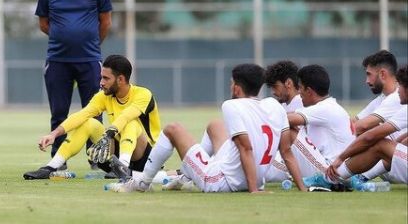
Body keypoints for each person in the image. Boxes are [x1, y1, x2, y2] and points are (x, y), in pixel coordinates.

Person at [112, 64, 306, 193]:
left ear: (237, 87)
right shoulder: (273, 106)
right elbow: (286, 151)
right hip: (251, 178)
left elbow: (245, 148)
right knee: (215, 125)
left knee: (173, 128)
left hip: (221, 181)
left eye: (232, 83)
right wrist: (302, 189)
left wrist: (254, 191)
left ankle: (142, 183)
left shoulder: (232, 105)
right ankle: (186, 176)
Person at [23, 55, 160, 180]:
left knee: (130, 123)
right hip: (115, 155)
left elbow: (126, 116)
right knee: (88, 122)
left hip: (146, 159)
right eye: (101, 77)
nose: (101, 82)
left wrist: (109, 132)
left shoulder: (143, 94)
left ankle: (122, 166)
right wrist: (54, 134)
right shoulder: (104, 96)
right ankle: (50, 167)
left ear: (121, 79)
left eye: (106, 78)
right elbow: (82, 114)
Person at [35, 0, 112, 159]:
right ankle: (58, 160)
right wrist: (64, 37)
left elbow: (105, 22)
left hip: (89, 60)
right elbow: (43, 23)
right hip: (58, 60)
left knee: (94, 113)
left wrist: (91, 43)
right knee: (59, 113)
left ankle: (97, 159)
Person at [307, 64, 408, 188]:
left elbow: (368, 134)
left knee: (379, 142)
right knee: (381, 142)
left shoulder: (398, 103)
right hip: (391, 163)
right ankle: (353, 177)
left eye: (401, 86)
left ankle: (329, 179)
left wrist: (340, 158)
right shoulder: (381, 100)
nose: (398, 90)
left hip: (386, 162)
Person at [263, 61, 328, 182]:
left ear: (288, 83)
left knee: (258, 164)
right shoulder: (283, 106)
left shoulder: (302, 103)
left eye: (275, 86)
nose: (273, 91)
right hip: (295, 158)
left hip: (309, 161)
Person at [287, 65, 354, 164]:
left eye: (300, 88)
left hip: (331, 169)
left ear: (309, 91)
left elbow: (286, 119)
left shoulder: (324, 108)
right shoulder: (328, 105)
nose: (299, 92)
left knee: (288, 130)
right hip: (338, 167)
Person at [353, 50, 402, 136]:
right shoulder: (382, 98)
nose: (366, 81)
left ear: (382, 74)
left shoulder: (398, 97)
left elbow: (361, 126)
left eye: (369, 74)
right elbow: (355, 121)